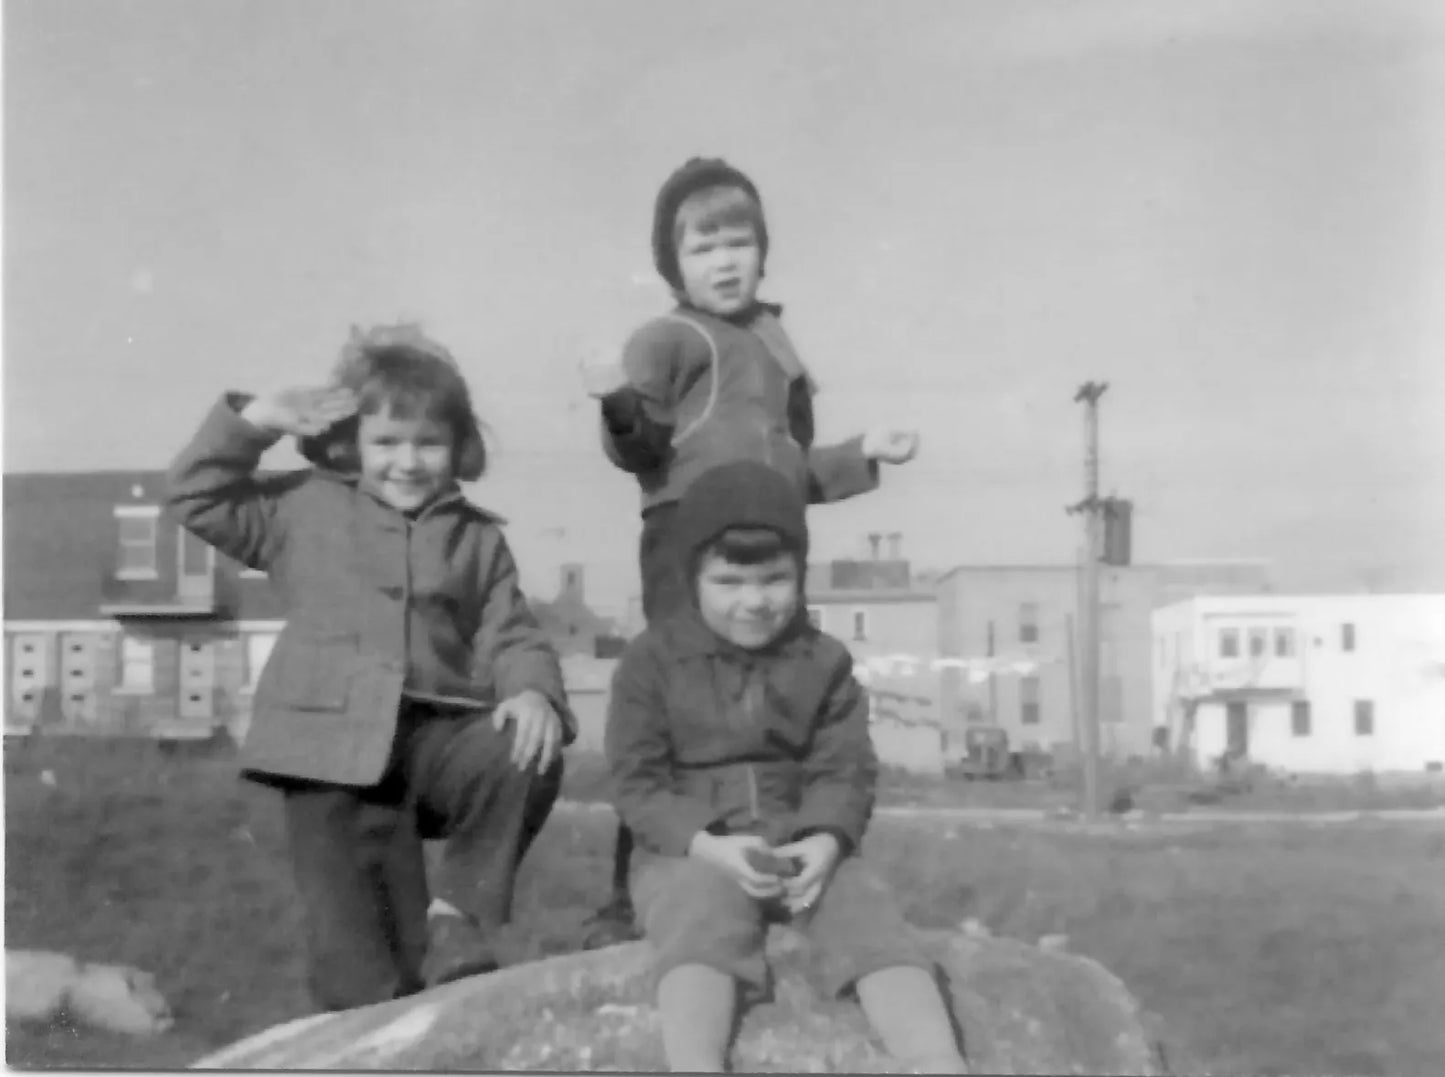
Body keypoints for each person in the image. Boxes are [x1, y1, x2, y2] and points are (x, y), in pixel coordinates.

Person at [165, 323, 573, 1012]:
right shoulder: (297, 507)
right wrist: (258, 418)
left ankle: (458, 916)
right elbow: (193, 494)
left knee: (524, 748)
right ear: (352, 442)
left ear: (458, 446)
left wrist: (533, 690)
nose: (407, 462)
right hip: (327, 753)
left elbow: (511, 632)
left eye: (428, 443)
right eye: (386, 442)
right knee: (365, 968)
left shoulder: (476, 536)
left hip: (436, 744)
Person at [579, 156, 920, 946]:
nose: (724, 260)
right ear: (673, 264)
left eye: (738, 242)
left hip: (768, 552)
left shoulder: (774, 348)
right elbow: (639, 447)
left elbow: (791, 468)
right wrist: (616, 401)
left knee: (781, 707)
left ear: (763, 251)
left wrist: (863, 451)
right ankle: (631, 897)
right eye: (702, 248)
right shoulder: (668, 337)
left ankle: (792, 862)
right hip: (685, 544)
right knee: (680, 711)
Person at [604, 461, 968, 1073]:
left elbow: (845, 768)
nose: (753, 601)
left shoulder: (822, 661)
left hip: (799, 842)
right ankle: (696, 1063)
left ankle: (936, 1060)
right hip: (692, 851)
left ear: (801, 573)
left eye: (774, 580)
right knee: (701, 918)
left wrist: (826, 841)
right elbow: (637, 784)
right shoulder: (651, 662)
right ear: (691, 577)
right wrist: (707, 846)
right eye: (729, 581)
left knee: (867, 912)